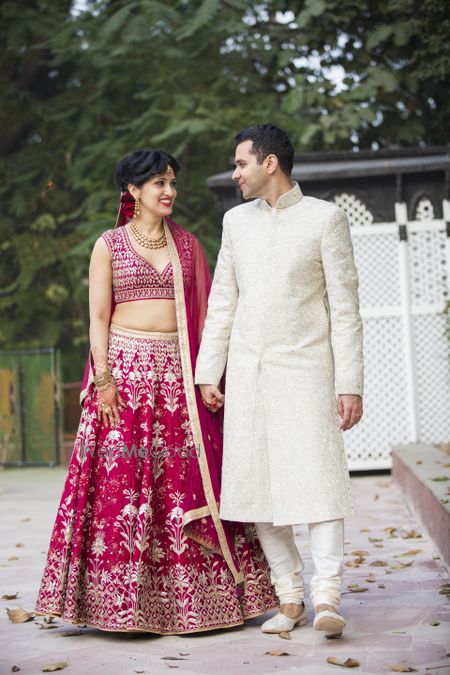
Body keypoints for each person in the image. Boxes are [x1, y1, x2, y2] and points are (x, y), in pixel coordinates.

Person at [35, 149, 277, 634]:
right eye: (157, 184)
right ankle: (116, 603)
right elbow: (97, 318)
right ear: (132, 191)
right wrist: (102, 381)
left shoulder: (188, 247)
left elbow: (209, 317)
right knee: (122, 488)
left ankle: (197, 603)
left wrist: (211, 377)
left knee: (180, 484)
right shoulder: (109, 244)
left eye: (171, 182)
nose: (168, 191)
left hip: (177, 378)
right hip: (122, 379)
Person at [195, 125, 364, 636]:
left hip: (309, 372)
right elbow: (224, 300)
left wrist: (350, 382)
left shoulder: (324, 220)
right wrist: (209, 371)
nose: (235, 172)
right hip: (250, 373)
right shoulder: (235, 223)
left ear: (269, 163)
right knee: (255, 486)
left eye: (241, 163)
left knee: (319, 484)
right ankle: (290, 596)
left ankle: (328, 598)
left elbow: (345, 310)